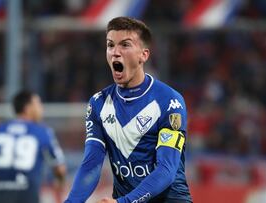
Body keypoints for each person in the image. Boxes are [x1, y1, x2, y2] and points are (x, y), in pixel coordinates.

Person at [65, 17, 192, 203]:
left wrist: (124, 202)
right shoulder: (99, 104)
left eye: (125, 45)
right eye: (110, 45)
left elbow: (166, 170)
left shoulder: (169, 101)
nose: (115, 52)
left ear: (144, 55)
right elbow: (91, 165)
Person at [0, 90, 66, 203]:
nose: (41, 109)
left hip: (2, 195)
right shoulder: (43, 132)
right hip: (28, 195)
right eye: (38, 104)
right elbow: (60, 168)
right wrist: (60, 182)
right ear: (28, 108)